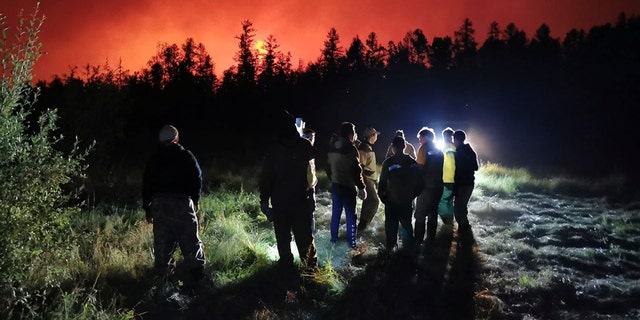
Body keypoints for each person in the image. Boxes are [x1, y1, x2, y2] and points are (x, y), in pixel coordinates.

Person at [142, 125, 205, 287]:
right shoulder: (186, 156)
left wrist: (147, 208)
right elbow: (197, 179)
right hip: (183, 202)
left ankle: (163, 280)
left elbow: (147, 184)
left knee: (163, 241)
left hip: (160, 204)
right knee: (190, 238)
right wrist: (195, 200)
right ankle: (198, 278)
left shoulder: (154, 158)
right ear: (176, 139)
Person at [259, 116, 318, 271]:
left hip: (280, 201)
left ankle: (286, 266)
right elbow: (311, 176)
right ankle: (311, 270)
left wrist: (264, 199)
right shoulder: (305, 146)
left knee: (283, 238)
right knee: (305, 238)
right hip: (301, 200)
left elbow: (267, 177)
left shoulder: (273, 149)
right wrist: (310, 192)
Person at [378, 136, 424, 252]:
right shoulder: (413, 163)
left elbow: (381, 184)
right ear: (404, 146)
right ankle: (408, 251)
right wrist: (412, 195)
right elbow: (421, 183)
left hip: (392, 202)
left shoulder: (388, 163)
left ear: (393, 148)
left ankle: (391, 250)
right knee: (407, 226)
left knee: (391, 227)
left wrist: (384, 198)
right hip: (407, 201)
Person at [327, 122, 366, 249]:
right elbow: (356, 170)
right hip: (348, 187)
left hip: (336, 185)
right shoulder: (351, 148)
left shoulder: (332, 146)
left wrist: (332, 178)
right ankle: (352, 244)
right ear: (351, 134)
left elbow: (328, 167)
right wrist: (361, 187)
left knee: (335, 215)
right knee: (351, 217)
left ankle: (333, 241)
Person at [414, 126, 444, 244]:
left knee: (420, 214)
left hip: (426, 187)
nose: (420, 140)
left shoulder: (424, 148)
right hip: (438, 187)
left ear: (426, 137)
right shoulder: (439, 150)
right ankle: (431, 239)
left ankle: (418, 240)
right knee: (433, 213)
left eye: (420, 138)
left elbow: (419, 168)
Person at [452, 130, 479, 231]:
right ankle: (464, 230)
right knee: (462, 207)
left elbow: (456, 169)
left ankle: (464, 230)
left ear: (455, 139)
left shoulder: (458, 152)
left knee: (459, 208)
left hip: (461, 184)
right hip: (469, 183)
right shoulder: (471, 151)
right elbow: (476, 167)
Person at [357, 127, 381, 232]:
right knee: (375, 202)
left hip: (371, 180)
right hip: (367, 180)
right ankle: (364, 225)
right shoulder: (364, 148)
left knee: (367, 203)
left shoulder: (368, 147)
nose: (377, 137)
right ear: (371, 136)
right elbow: (360, 167)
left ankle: (362, 226)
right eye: (375, 135)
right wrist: (363, 182)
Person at [301, 127, 318, 234]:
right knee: (305, 211)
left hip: (311, 186)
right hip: (304, 187)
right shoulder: (302, 150)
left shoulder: (310, 150)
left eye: (313, 137)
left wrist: (314, 181)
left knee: (311, 210)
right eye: (309, 137)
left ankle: (312, 232)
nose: (311, 140)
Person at [438, 127, 456, 224]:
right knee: (450, 201)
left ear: (444, 137)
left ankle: (447, 222)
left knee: (441, 202)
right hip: (455, 180)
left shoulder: (443, 148)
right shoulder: (456, 148)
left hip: (445, 179)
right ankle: (451, 221)